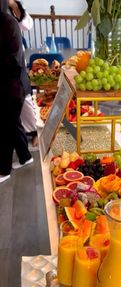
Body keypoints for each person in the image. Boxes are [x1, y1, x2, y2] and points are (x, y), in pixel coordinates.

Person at [0, 0, 33, 183]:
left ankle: (4, 170)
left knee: (6, 127)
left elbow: (13, 60)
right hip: (9, 84)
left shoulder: (8, 22)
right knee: (13, 124)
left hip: (13, 85)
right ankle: (26, 156)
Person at [8, 0, 38, 148]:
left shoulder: (10, 7)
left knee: (25, 100)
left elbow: (27, 24)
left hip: (16, 63)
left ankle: (35, 132)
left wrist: (13, 4)